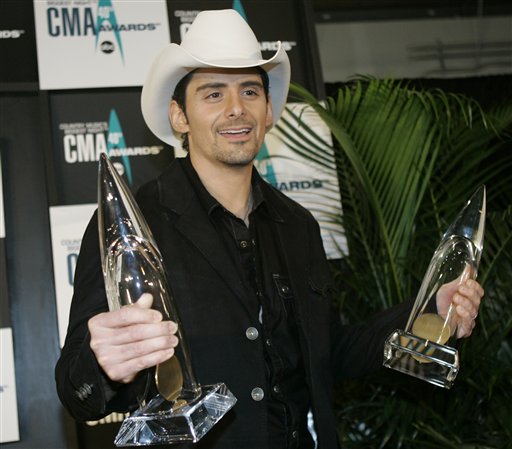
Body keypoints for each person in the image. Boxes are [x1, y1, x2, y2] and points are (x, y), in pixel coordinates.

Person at [55, 9, 484, 449]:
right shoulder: (135, 222)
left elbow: (330, 353)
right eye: (213, 93)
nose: (236, 108)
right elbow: (76, 392)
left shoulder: (298, 224)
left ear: (268, 111)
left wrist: (429, 307)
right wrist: (104, 363)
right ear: (179, 116)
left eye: (250, 91)